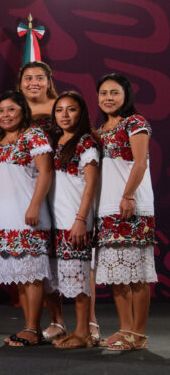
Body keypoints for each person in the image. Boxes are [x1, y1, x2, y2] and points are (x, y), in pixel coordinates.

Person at [94, 73, 156, 351]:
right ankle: (125, 329)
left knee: (137, 273)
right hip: (107, 208)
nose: (108, 98)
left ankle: (138, 334)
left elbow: (140, 164)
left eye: (114, 93)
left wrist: (128, 195)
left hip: (132, 205)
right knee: (118, 274)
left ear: (126, 95)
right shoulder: (101, 129)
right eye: (104, 93)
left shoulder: (136, 122)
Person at [0, 91, 53, 347]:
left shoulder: (33, 136)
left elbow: (46, 172)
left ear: (22, 112)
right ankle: (30, 327)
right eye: (1, 111)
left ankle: (33, 328)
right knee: (21, 278)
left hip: (28, 216)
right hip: (6, 219)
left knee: (32, 276)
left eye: (11, 110)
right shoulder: (0, 141)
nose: (5, 115)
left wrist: (35, 206)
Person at [47, 91, 100, 349]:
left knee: (78, 277)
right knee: (61, 278)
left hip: (74, 219)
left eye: (71, 110)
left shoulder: (86, 142)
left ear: (82, 113)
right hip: (55, 220)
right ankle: (73, 329)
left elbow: (91, 184)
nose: (65, 115)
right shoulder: (56, 141)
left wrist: (81, 219)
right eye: (60, 110)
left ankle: (83, 333)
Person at [17, 61, 65, 342]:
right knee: (43, 257)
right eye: (27, 78)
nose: (33, 82)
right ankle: (55, 321)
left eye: (39, 77)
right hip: (28, 187)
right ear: (20, 82)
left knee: (69, 255)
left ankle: (89, 323)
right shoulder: (16, 112)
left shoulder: (62, 106)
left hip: (62, 183)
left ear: (49, 80)